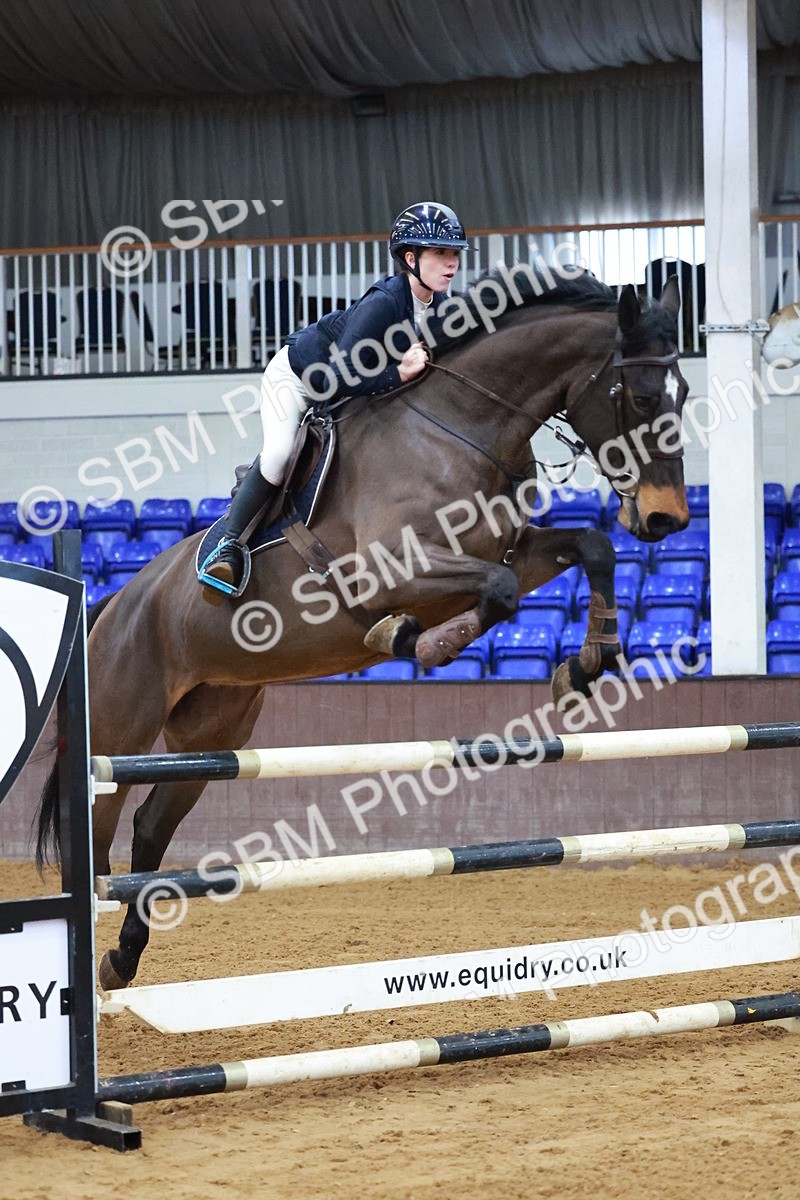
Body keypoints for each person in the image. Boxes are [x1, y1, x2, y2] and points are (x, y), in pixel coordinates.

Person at [198, 201, 469, 597]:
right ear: (410, 258)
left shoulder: (439, 309)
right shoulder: (384, 302)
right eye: (440, 253)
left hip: (350, 389)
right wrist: (399, 373)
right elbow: (339, 377)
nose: (451, 263)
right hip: (300, 378)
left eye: (455, 254)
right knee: (278, 454)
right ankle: (229, 546)